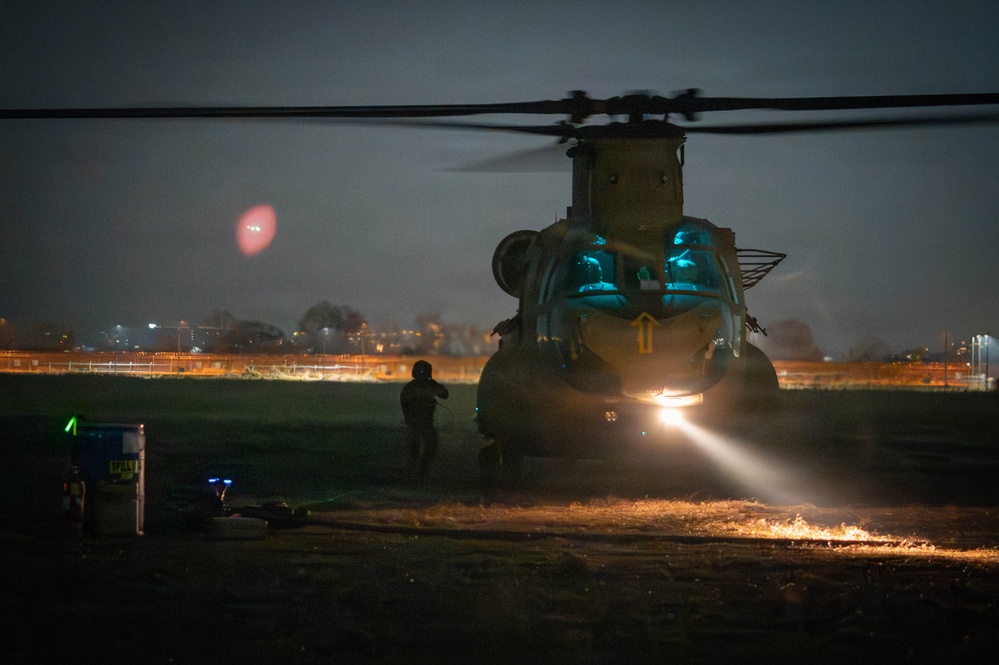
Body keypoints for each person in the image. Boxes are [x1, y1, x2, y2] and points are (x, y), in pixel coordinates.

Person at [400, 360, 449, 477]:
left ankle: (418, 472)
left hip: (422, 422)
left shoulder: (412, 386)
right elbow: (404, 402)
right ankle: (417, 472)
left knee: (424, 448)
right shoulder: (414, 387)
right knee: (417, 448)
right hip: (419, 423)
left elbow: (444, 394)